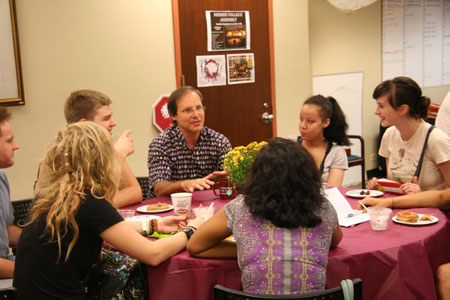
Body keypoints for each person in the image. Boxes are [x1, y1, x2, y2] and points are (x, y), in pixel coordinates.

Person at [13, 122, 204, 300]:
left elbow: (102, 228)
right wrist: (192, 230)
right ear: (102, 160)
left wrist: (154, 224)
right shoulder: (89, 201)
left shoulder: (53, 196)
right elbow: (153, 255)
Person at [187, 137, 343, 295]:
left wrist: (252, 248)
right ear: (308, 175)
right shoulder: (324, 209)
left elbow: (196, 246)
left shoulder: (241, 207)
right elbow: (334, 241)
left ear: (257, 176)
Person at [35, 89, 142, 207]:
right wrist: (118, 155)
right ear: (85, 124)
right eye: (106, 119)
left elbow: (134, 191)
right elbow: (77, 207)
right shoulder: (58, 154)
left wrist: (103, 206)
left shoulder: (108, 146)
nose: (113, 123)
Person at [367, 77, 450, 194]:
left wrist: (421, 195)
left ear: (402, 109)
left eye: (381, 106)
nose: (376, 111)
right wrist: (379, 186)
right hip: (403, 209)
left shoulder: (436, 140)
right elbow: (394, 186)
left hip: (432, 211)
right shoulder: (389, 135)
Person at [148, 86, 232, 197]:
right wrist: (184, 184)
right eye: (188, 110)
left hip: (206, 206)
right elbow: (159, 189)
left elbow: (230, 183)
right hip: (168, 208)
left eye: (199, 108)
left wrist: (231, 177)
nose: (196, 115)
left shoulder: (219, 141)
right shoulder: (161, 143)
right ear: (174, 116)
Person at [286, 95, 349, 187]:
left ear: (325, 122)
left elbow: (332, 191)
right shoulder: (289, 144)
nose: (303, 126)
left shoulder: (336, 153)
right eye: (301, 119)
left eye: (310, 121)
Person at [0, 107, 21, 284]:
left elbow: (7, 230)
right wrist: (38, 269)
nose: (16, 146)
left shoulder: (1, 177)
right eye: (9, 141)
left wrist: (46, 245)